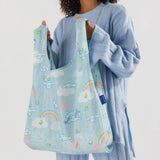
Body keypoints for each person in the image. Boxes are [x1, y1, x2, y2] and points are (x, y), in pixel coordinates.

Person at [42, 0, 141, 160]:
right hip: (69, 122)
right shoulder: (63, 26)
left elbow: (129, 64)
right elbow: (55, 80)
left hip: (108, 121)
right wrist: (45, 51)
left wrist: (98, 37)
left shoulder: (116, 14)